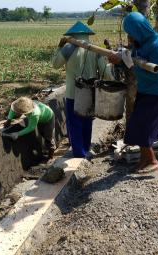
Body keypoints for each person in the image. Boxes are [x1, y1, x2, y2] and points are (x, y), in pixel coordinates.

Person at [108, 12, 158, 174]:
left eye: (131, 31)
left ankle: (152, 161)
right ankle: (144, 160)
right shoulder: (141, 42)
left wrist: (130, 65)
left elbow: (156, 77)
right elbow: (133, 58)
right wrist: (122, 59)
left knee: (144, 128)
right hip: (145, 90)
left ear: (139, 29)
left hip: (157, 93)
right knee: (139, 125)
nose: (130, 35)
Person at [52, 21, 114, 158]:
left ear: (71, 35)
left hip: (73, 93)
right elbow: (105, 71)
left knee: (74, 122)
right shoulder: (95, 49)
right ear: (87, 35)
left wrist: (59, 47)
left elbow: (55, 64)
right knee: (87, 120)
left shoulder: (67, 48)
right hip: (90, 91)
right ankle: (85, 149)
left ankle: (79, 152)